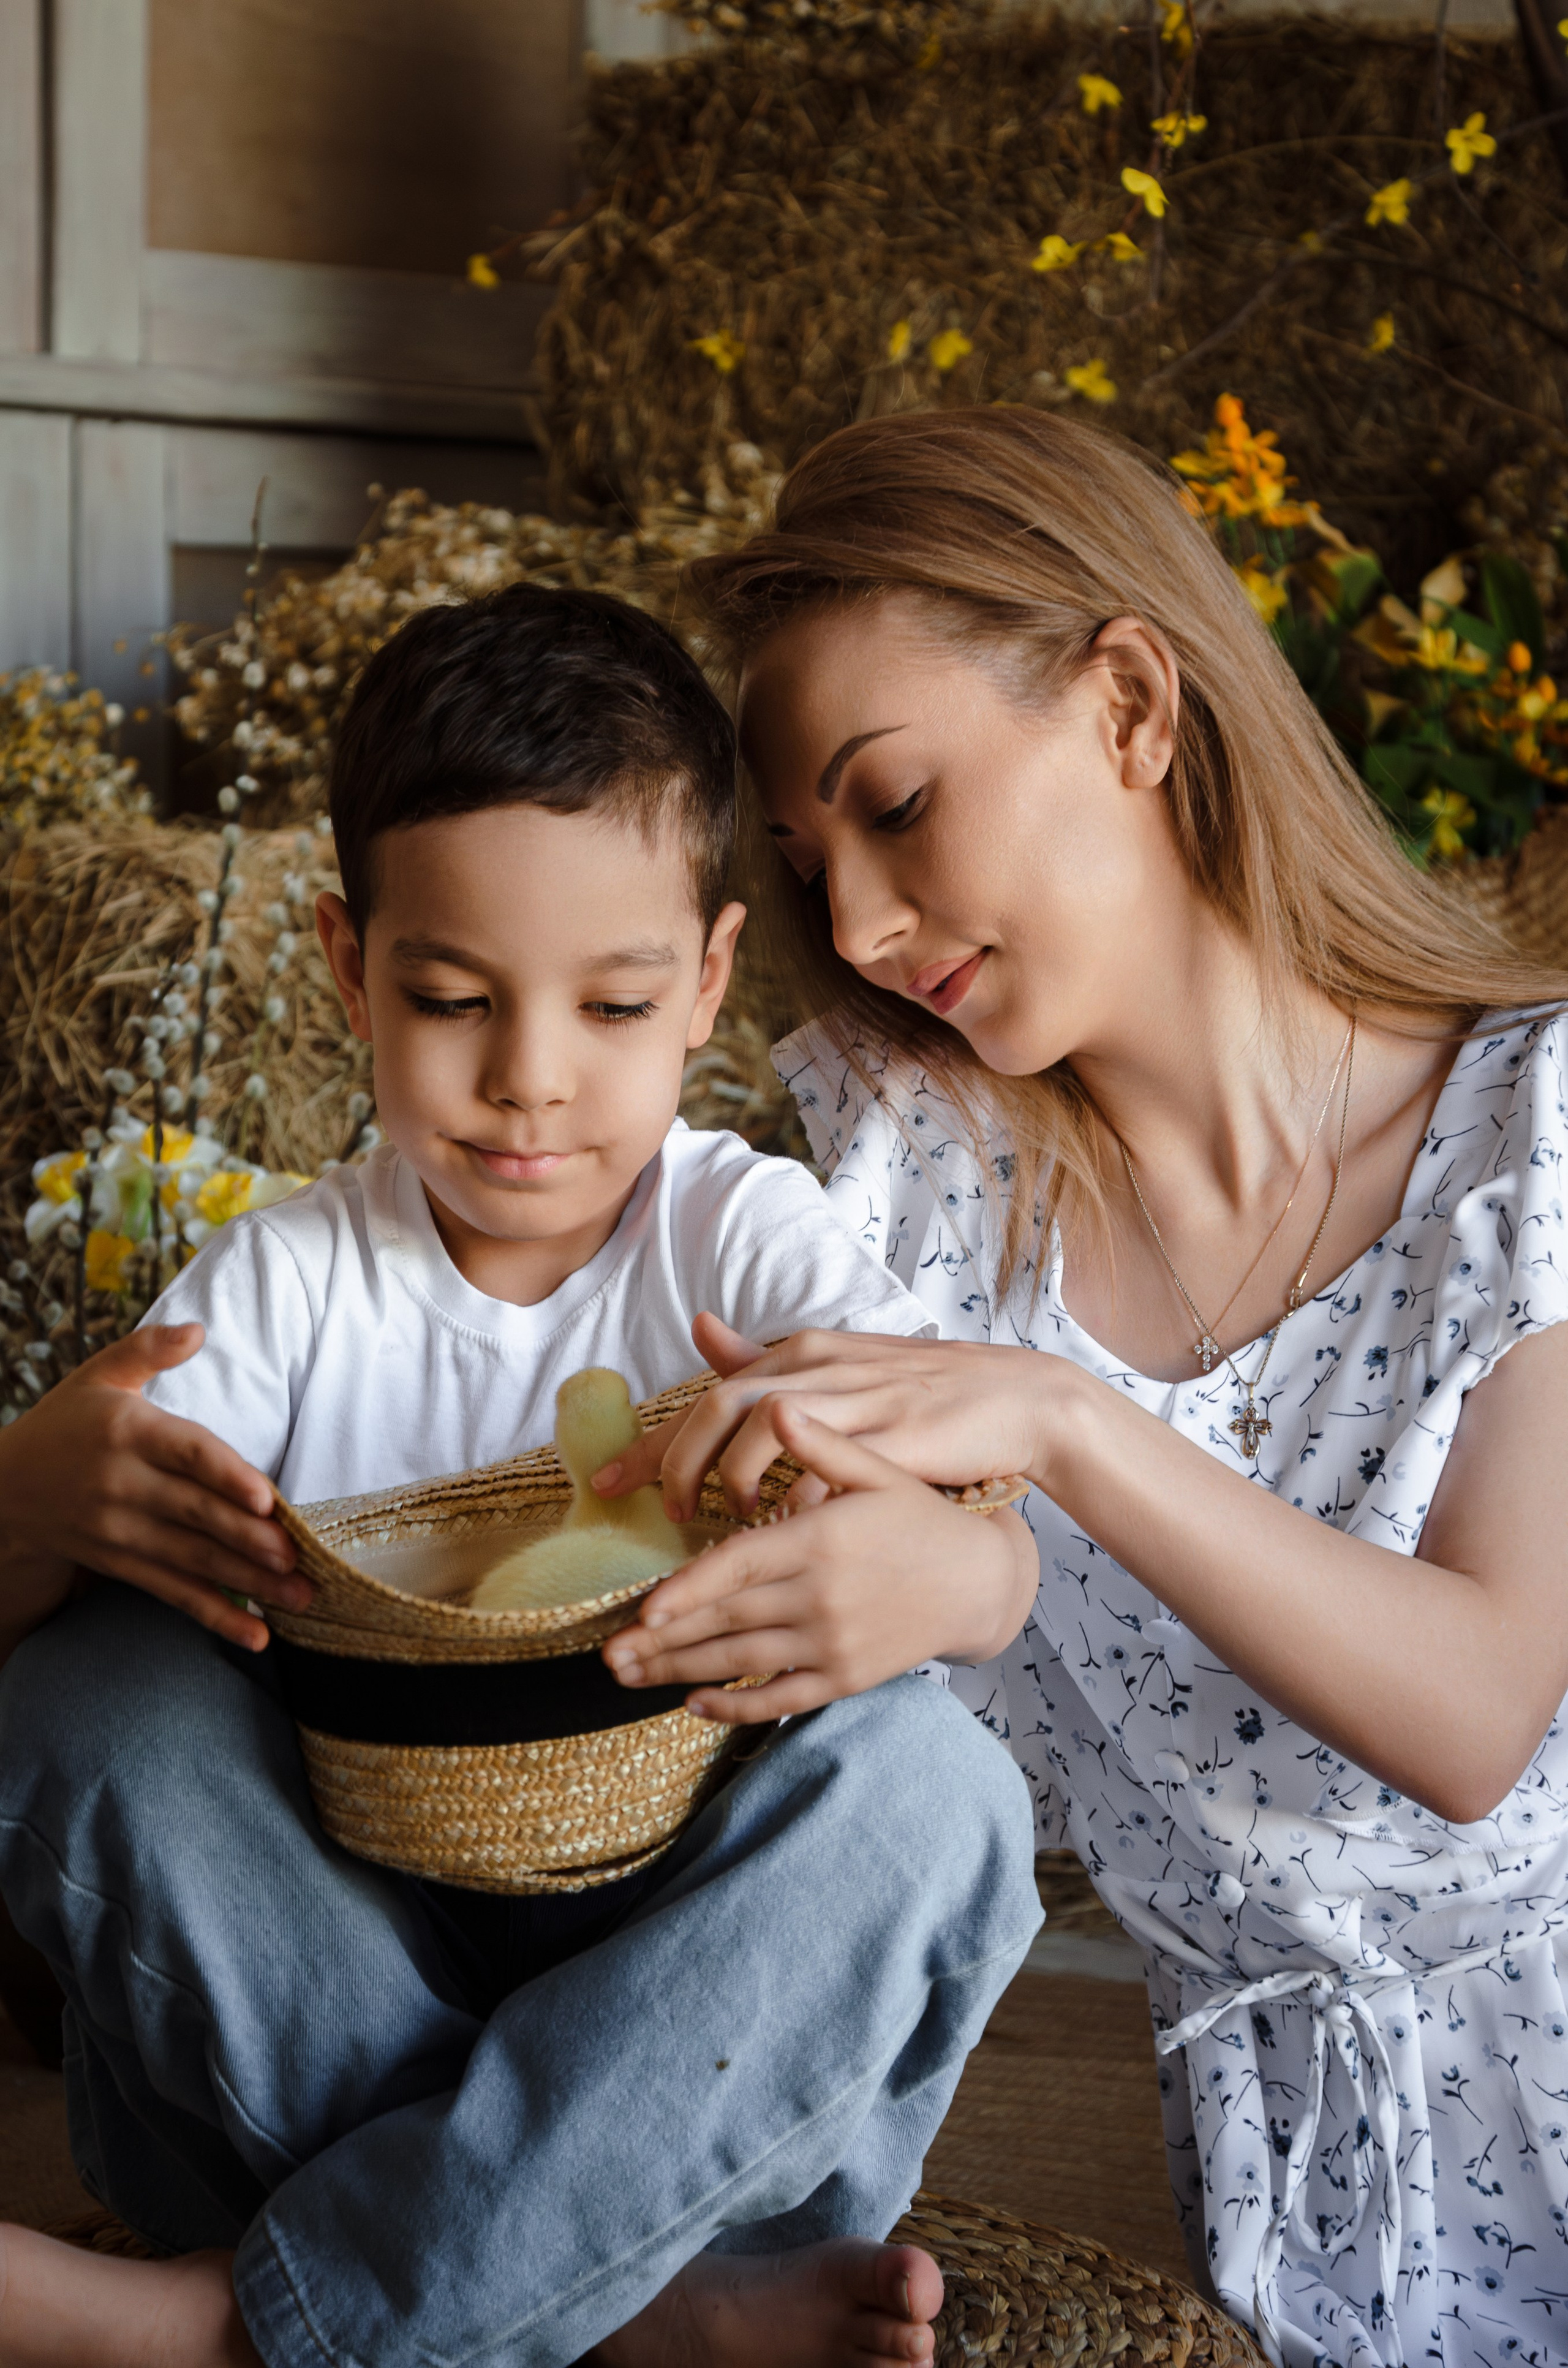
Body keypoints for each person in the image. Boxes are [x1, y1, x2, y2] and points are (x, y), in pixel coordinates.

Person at [589, 406, 1568, 2368]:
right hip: (1275, 2223)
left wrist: (1056, 1421)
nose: (856, 923)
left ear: (1131, 700)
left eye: (897, 802)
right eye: (807, 857)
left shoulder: (1529, 1127)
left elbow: (1475, 1714)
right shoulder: (906, 1176)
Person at [0, 584, 1043, 2368]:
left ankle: (255, 2332)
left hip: (684, 2010)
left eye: (616, 1003)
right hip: (324, 1976)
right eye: (452, 997)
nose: (529, 1085)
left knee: (942, 1793)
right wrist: (23, 1498)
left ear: (708, 980)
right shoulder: (289, 1286)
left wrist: (960, 1579)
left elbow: (985, 1513)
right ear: (348, 964)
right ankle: (623, 2300)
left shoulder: (748, 1238)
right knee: (91, 1695)